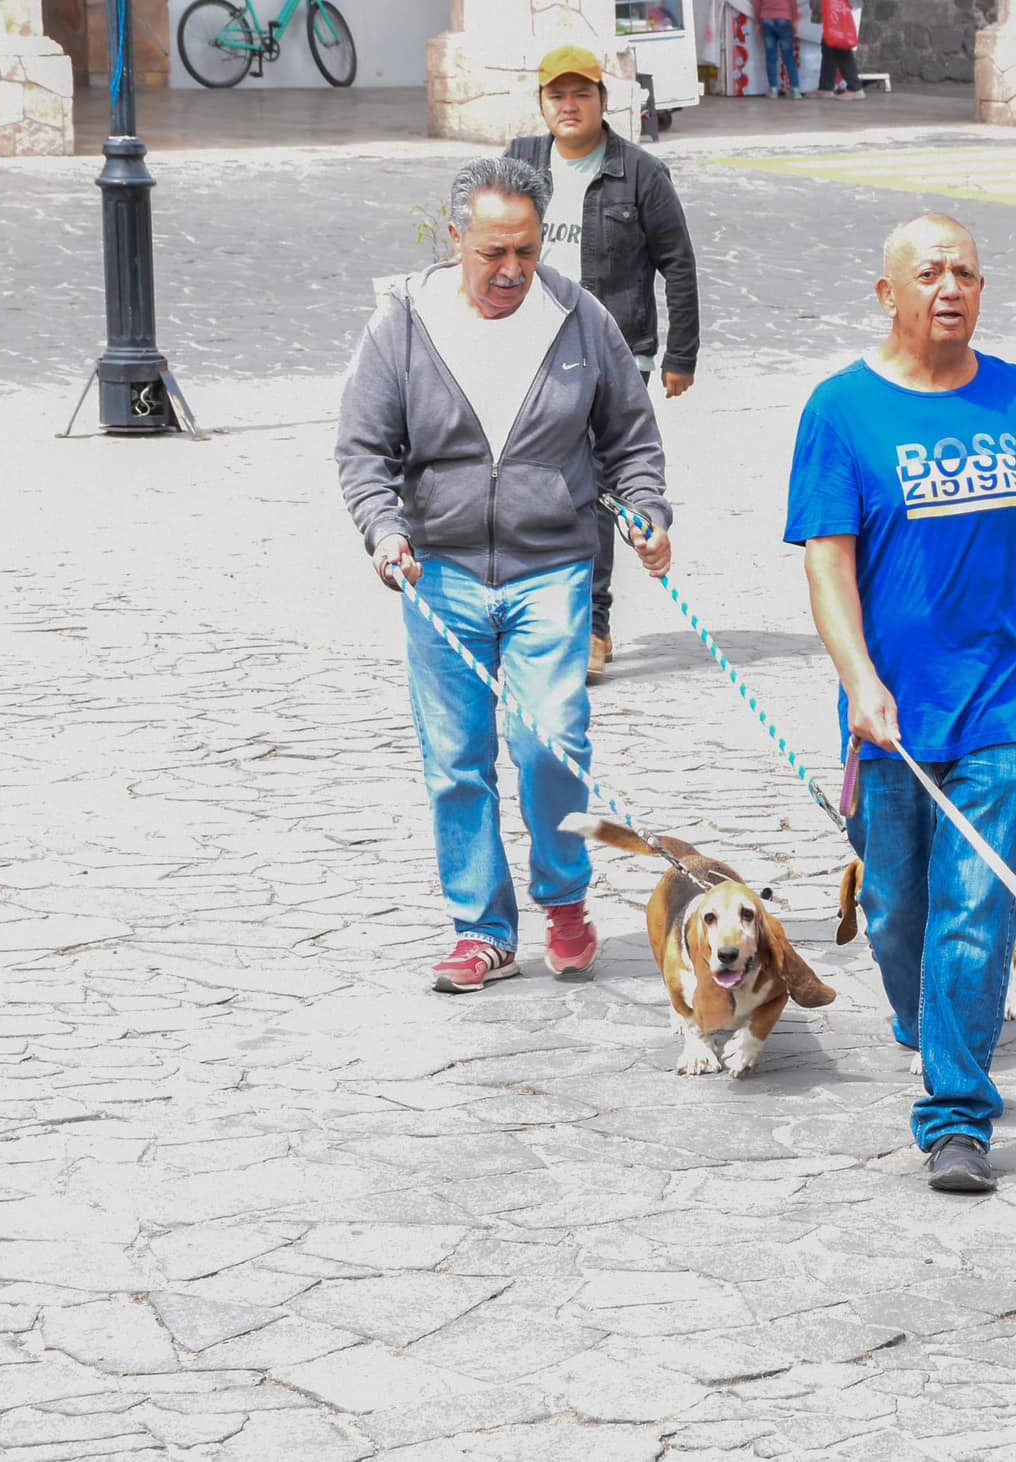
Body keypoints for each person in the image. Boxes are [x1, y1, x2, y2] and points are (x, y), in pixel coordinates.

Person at [786, 213, 1016, 1195]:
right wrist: (859, 681)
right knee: (894, 907)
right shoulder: (840, 412)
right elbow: (827, 563)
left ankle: (955, 1116)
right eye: (927, 274)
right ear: (885, 293)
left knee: (974, 906)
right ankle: (927, 1013)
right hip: (886, 717)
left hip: (997, 705)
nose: (949, 288)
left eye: (965, 273)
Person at [337, 157, 674, 994]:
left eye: (525, 251)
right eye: (493, 253)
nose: (512, 272)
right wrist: (383, 532)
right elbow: (363, 451)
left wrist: (645, 512)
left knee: (551, 738)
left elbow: (631, 438)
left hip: (550, 569)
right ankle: (482, 929)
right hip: (438, 572)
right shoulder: (403, 324)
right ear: (455, 239)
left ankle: (565, 901)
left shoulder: (577, 316)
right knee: (456, 760)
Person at [507, 45, 701, 684]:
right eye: (557, 96)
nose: (569, 106)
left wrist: (680, 355)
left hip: (613, 352)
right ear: (543, 104)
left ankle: (591, 623)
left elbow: (677, 263)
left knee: (592, 484)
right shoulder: (520, 162)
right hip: (526, 346)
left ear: (602, 100)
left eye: (581, 94)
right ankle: (535, 615)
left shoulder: (640, 173)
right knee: (530, 477)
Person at [814, 0, 863, 100]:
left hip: (838, 6)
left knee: (839, 42)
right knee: (829, 43)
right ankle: (826, 87)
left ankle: (855, 88)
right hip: (833, 6)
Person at [756, 0, 806, 99]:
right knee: (788, 57)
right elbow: (792, 3)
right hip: (784, 19)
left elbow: (757, 3)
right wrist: (795, 19)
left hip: (766, 19)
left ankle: (773, 90)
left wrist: (757, 22)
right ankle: (795, 90)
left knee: (771, 57)